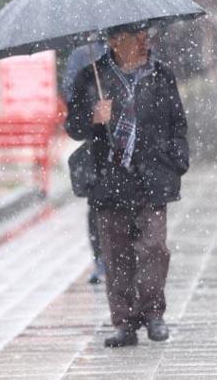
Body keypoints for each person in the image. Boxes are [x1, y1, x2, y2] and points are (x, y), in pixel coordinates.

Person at [66, 23, 189, 347]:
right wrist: (94, 117)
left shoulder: (161, 75)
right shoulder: (90, 77)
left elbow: (178, 122)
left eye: (147, 37)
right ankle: (124, 322)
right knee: (116, 254)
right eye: (139, 39)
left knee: (154, 248)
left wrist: (177, 159)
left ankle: (153, 314)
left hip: (151, 178)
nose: (147, 43)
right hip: (110, 179)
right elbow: (73, 127)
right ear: (116, 42)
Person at [62, 41, 108, 285]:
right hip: (97, 150)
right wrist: (93, 113)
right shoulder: (82, 56)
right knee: (98, 207)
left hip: (129, 152)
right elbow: (70, 95)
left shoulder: (130, 53)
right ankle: (101, 258)